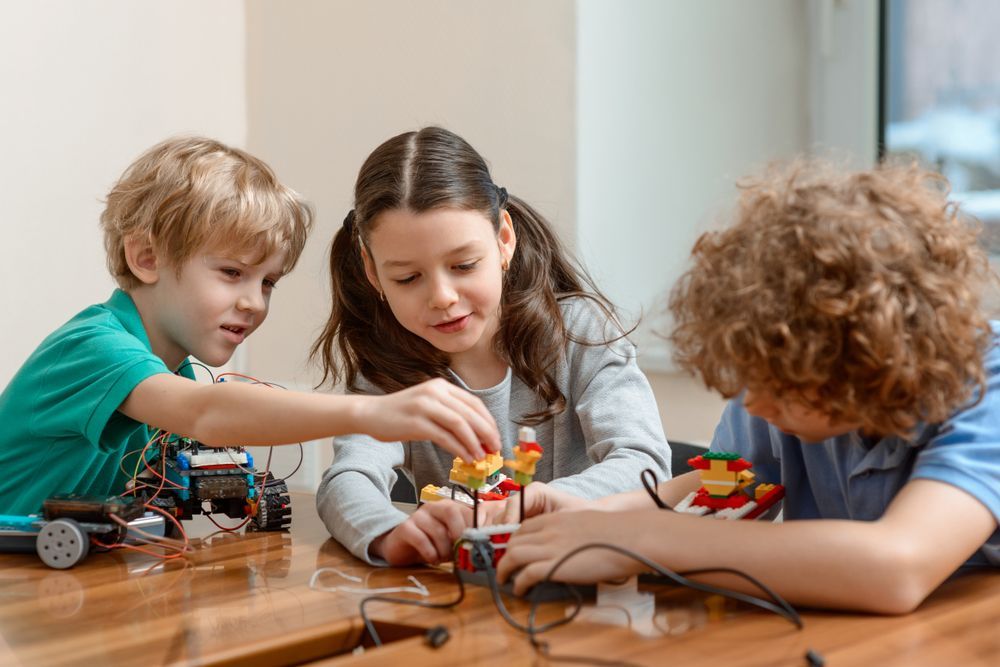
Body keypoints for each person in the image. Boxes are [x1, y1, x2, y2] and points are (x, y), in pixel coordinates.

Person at [496, 160, 1000, 614]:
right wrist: (592, 517)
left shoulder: (987, 387)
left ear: (867, 359)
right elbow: (721, 489)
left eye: (779, 387)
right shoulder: (777, 376)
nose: (755, 403)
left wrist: (640, 537)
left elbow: (898, 568)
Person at [0, 136, 499, 516]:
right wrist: (370, 412)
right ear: (147, 257)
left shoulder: (175, 379)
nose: (253, 302)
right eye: (232, 273)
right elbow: (206, 413)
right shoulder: (92, 348)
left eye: (268, 283)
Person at [312, 126, 671, 566]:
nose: (442, 296)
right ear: (372, 273)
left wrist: (543, 501)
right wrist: (387, 532)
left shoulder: (580, 332)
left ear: (504, 239)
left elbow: (644, 464)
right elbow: (347, 478)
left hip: (590, 589)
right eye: (408, 278)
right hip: (469, 600)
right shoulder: (388, 370)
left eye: (463, 265)